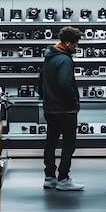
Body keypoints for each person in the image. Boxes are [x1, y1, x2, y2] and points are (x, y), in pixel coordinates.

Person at [38, 26, 84, 191]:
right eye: (75, 44)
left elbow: (40, 80)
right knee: (69, 144)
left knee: (50, 143)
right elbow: (65, 83)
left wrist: (46, 98)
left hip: (50, 108)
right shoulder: (64, 59)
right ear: (67, 42)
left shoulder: (49, 57)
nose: (76, 47)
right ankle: (63, 178)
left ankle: (49, 177)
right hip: (65, 109)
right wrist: (73, 102)